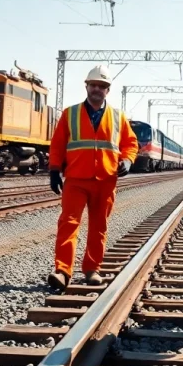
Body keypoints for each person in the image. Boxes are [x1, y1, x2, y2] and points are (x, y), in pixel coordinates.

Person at [47, 65, 139, 290]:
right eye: (93, 85)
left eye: (102, 86)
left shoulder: (118, 116)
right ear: (86, 86)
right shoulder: (71, 113)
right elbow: (58, 143)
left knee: (99, 226)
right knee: (68, 223)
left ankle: (92, 269)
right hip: (76, 178)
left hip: (106, 179)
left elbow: (130, 143)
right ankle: (62, 271)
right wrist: (54, 169)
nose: (97, 89)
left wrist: (127, 160)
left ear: (108, 90)